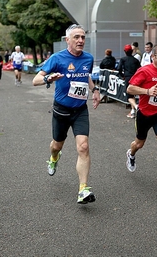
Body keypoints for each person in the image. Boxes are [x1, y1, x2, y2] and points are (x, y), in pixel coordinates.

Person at [32, 24, 100, 204]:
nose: (80, 40)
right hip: (61, 110)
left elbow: (85, 76)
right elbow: (35, 80)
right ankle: (54, 158)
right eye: (76, 37)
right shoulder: (57, 58)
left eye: (83, 37)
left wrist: (95, 90)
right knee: (57, 145)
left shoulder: (88, 58)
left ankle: (83, 189)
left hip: (80, 110)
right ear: (67, 40)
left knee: (83, 147)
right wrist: (48, 78)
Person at [126, 43, 157, 190]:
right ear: (153, 57)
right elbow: (130, 88)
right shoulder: (144, 71)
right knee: (139, 144)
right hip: (145, 114)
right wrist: (147, 92)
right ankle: (131, 153)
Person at [118, 44, 141, 118]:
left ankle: (136, 107)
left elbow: (119, 69)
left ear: (125, 51)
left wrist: (122, 76)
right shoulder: (136, 60)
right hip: (135, 79)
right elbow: (140, 69)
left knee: (129, 96)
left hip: (128, 78)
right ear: (131, 51)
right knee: (133, 94)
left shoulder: (123, 59)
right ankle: (133, 111)